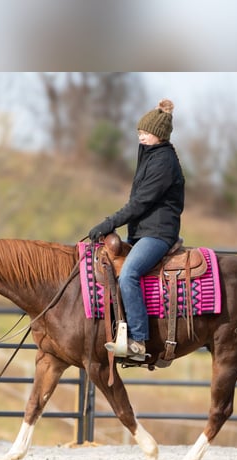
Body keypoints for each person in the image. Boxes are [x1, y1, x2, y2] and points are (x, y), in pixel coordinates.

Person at [88, 98, 185, 361]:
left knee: (129, 273)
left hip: (158, 233)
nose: (141, 137)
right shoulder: (150, 153)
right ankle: (115, 332)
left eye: (146, 133)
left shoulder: (163, 162)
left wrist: (109, 223)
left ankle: (139, 340)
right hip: (142, 231)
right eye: (139, 132)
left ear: (160, 136)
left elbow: (140, 202)